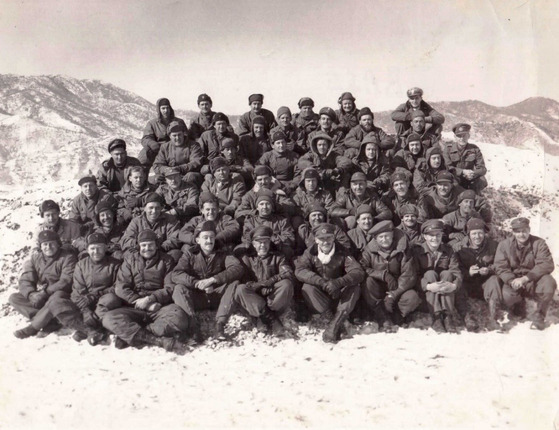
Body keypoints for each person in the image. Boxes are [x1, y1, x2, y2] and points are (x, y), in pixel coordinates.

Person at [102, 229, 190, 352]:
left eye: (150, 245)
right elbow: (121, 287)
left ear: (156, 245)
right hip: (135, 307)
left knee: (180, 318)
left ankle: (133, 333)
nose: (147, 248)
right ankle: (158, 341)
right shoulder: (130, 260)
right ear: (139, 246)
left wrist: (151, 299)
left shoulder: (167, 260)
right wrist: (139, 302)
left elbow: (169, 287)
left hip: (159, 306)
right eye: (143, 245)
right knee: (109, 318)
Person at [170, 221, 245, 340]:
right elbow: (176, 274)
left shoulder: (223, 252)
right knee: (179, 288)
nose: (209, 241)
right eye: (205, 237)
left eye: (211, 237)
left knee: (235, 284)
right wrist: (196, 283)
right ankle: (193, 327)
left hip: (216, 295)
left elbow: (237, 268)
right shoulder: (190, 254)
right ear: (198, 240)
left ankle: (220, 324)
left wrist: (214, 280)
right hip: (198, 297)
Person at [294, 223, 365, 343]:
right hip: (321, 295)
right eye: (321, 239)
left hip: (338, 294)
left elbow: (358, 272)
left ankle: (336, 321)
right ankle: (331, 320)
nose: (325, 242)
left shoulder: (343, 251)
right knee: (307, 288)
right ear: (316, 240)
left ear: (333, 238)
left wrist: (338, 282)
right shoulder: (310, 252)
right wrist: (321, 282)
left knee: (354, 287)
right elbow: (300, 270)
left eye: (328, 238)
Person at [10, 230, 78, 339]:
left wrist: (45, 293)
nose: (48, 247)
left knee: (56, 298)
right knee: (14, 298)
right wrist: (31, 294)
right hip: (43, 295)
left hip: (62, 295)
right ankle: (49, 320)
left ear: (58, 244)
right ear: (40, 246)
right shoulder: (35, 258)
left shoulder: (67, 257)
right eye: (45, 244)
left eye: (52, 243)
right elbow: (26, 279)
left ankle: (34, 327)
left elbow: (66, 281)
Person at [494, 217, 556, 330]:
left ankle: (540, 315)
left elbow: (546, 264)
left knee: (549, 283)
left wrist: (526, 278)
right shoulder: (504, 245)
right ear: (513, 232)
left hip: (533, 280)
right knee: (507, 296)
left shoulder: (539, 243)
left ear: (529, 230)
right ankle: (518, 306)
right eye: (518, 231)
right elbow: (500, 266)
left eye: (524, 231)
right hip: (513, 281)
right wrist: (510, 280)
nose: (521, 234)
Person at [360, 220, 420, 330]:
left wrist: (394, 294)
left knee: (412, 297)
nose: (384, 240)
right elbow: (363, 268)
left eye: (387, 236)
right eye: (381, 237)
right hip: (379, 288)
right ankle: (381, 315)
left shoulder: (403, 249)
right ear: (376, 239)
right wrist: (383, 275)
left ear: (392, 236)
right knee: (368, 282)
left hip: (398, 287)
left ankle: (397, 315)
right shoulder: (369, 251)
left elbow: (409, 274)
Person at [235, 226, 295, 336]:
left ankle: (262, 316)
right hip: (255, 295)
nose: (263, 245)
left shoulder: (277, 257)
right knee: (240, 289)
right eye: (259, 242)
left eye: (266, 242)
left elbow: (288, 272)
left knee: (286, 284)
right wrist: (259, 285)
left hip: (271, 294)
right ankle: (271, 318)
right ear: (253, 244)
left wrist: (272, 280)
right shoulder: (246, 258)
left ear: (270, 242)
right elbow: (244, 280)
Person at [68, 232, 123, 344]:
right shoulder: (81, 265)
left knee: (110, 299)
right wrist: (85, 311)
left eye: (100, 248)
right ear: (87, 249)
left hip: (105, 301)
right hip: (85, 302)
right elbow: (78, 289)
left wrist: (95, 296)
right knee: (64, 305)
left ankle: (90, 329)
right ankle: (94, 329)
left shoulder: (115, 264)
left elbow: (118, 286)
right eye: (92, 248)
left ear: (106, 248)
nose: (96, 252)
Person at [411, 219, 463, 333]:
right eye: (431, 235)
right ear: (425, 236)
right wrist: (429, 287)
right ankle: (436, 317)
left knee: (447, 273)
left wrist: (454, 286)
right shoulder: (417, 251)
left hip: (446, 292)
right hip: (425, 296)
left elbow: (456, 272)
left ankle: (447, 316)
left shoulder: (449, 250)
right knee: (430, 274)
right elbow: (412, 276)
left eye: (438, 235)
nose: (435, 238)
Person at [455, 218, 502, 331]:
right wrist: (468, 272)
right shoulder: (458, 248)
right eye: (474, 233)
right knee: (457, 283)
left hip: (486, 283)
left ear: (485, 233)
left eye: (480, 233)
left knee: (494, 280)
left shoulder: (494, 246)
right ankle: (467, 319)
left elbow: (500, 264)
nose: (477, 236)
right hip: (467, 284)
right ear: (468, 234)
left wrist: (489, 270)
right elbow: (455, 268)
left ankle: (493, 318)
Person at [120, 192, 182, 262]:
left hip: (161, 252)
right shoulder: (136, 221)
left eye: (157, 208)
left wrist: (158, 247)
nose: (154, 211)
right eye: (151, 208)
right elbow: (125, 239)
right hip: (141, 252)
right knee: (128, 254)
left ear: (161, 208)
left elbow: (175, 238)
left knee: (176, 254)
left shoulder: (170, 219)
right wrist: (139, 244)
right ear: (145, 208)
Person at [240, 190, 296, 259]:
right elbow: (247, 237)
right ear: (257, 207)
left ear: (272, 207)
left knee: (287, 250)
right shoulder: (250, 221)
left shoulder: (281, 220)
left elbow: (290, 237)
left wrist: (272, 240)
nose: (265, 207)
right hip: (257, 249)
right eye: (261, 204)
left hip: (277, 249)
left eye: (268, 204)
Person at [139, 98, 187, 170]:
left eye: (167, 108)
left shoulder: (179, 121)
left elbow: (186, 135)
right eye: (163, 108)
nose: (166, 111)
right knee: (145, 153)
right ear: (159, 109)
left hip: (176, 146)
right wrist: (152, 144)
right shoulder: (152, 123)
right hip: (159, 148)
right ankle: (142, 175)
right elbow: (146, 138)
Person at [152, 120, 203, 186]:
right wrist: (167, 170)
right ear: (170, 136)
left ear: (183, 134)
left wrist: (179, 169)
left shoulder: (194, 145)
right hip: (170, 175)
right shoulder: (165, 147)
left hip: (186, 175)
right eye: (174, 135)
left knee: (191, 176)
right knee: (155, 179)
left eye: (179, 135)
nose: (177, 138)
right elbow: (157, 164)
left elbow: (196, 162)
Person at [443, 123, 488, 193]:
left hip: (469, 178)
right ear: (455, 137)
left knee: (482, 180)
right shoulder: (448, 149)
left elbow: (482, 169)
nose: (462, 138)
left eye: (464, 135)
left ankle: (473, 197)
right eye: (459, 136)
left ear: (468, 136)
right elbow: (448, 167)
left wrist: (473, 173)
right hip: (455, 177)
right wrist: (463, 172)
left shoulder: (474, 149)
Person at [257, 130, 299, 194]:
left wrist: (291, 186)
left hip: (288, 185)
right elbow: (259, 169)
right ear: (273, 145)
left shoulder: (294, 156)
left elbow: (298, 174)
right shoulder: (267, 156)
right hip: (270, 184)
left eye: (283, 142)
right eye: (278, 143)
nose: (281, 145)